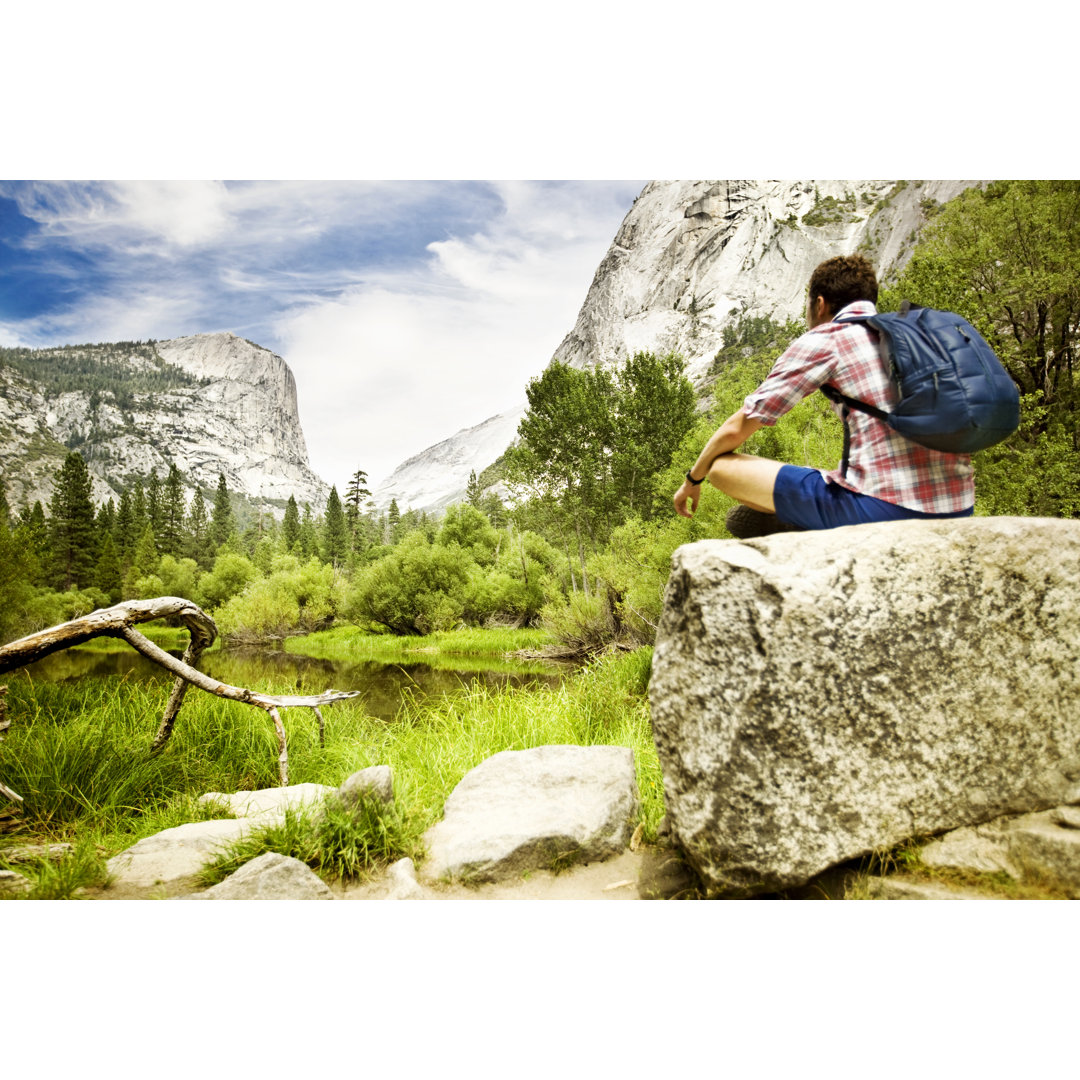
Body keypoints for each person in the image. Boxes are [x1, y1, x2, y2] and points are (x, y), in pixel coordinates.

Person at [672, 254, 976, 536]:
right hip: (959, 507)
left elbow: (738, 427)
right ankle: (802, 516)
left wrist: (692, 480)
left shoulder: (827, 338)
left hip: (886, 511)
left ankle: (804, 522)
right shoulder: (911, 338)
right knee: (833, 471)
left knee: (721, 467)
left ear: (819, 304)